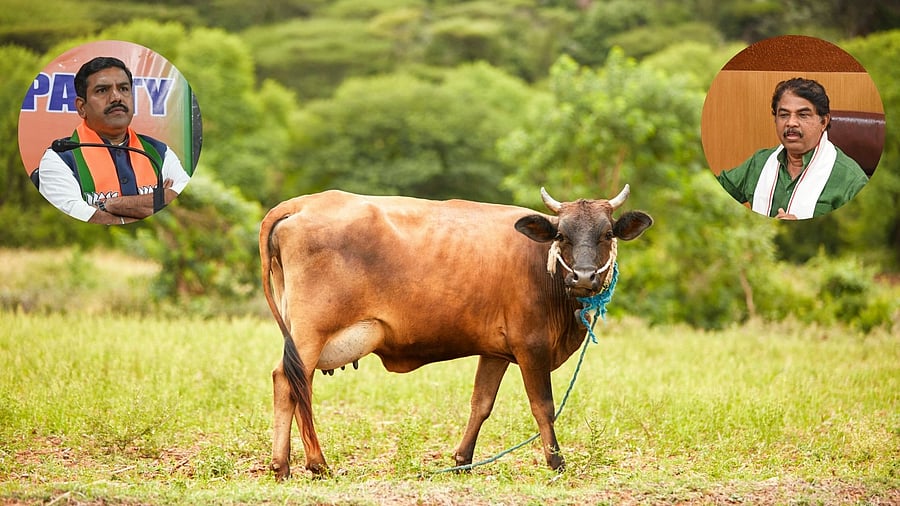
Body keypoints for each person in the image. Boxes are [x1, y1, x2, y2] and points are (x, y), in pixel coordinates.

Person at [37, 56, 190, 225]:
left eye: (124, 89)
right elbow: (82, 218)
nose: (116, 97)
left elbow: (181, 205)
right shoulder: (59, 158)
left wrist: (109, 205)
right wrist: (157, 201)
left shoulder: (159, 152)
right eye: (102, 90)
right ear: (82, 107)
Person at [716, 78, 868, 220]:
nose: (791, 123)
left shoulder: (852, 180)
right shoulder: (760, 162)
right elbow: (715, 194)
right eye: (784, 115)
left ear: (823, 121)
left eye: (803, 115)